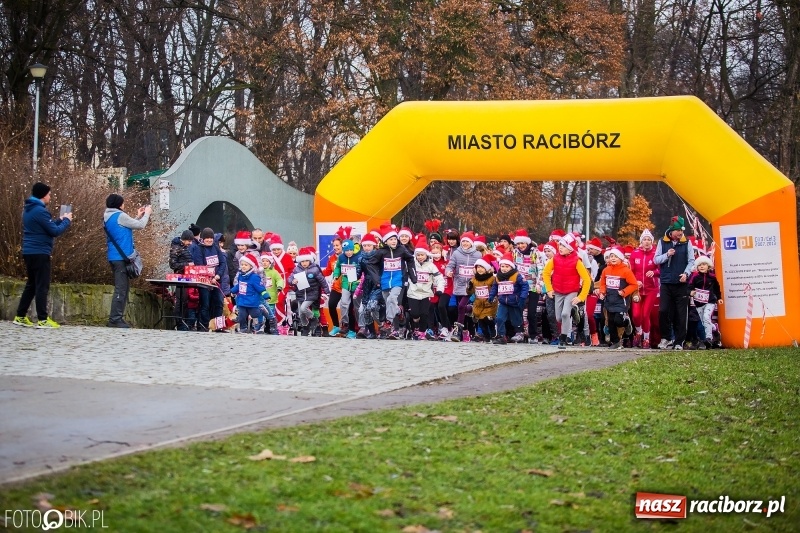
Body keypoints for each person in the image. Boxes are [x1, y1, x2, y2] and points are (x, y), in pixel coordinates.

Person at [13, 182, 73, 328]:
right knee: (42, 286)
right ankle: (43, 319)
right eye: (49, 194)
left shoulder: (28, 209)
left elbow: (46, 226)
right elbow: (54, 231)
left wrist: (59, 219)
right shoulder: (40, 211)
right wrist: (66, 221)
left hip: (29, 251)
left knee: (32, 285)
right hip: (40, 252)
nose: (50, 197)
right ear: (43, 195)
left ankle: (20, 316)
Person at [103, 193, 151, 328]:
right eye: (123, 203)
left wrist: (138, 216)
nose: (124, 205)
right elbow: (140, 226)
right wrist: (146, 214)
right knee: (121, 289)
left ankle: (118, 318)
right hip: (121, 258)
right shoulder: (120, 215)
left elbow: (125, 227)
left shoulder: (108, 217)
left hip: (115, 257)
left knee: (123, 288)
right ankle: (115, 319)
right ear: (119, 204)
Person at [542, 233, 592, 349]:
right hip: (558, 292)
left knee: (565, 314)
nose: (560, 248)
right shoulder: (555, 259)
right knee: (559, 317)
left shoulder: (577, 261)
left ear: (570, 249)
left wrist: (581, 297)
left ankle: (563, 339)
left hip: (571, 291)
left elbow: (586, 279)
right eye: (559, 245)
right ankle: (574, 313)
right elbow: (546, 273)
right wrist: (549, 289)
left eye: (563, 246)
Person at [653, 216, 695, 350]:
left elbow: (691, 261)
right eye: (678, 231)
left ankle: (679, 341)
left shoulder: (686, 243)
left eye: (681, 232)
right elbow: (656, 260)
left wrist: (686, 274)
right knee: (663, 310)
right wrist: (667, 255)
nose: (680, 234)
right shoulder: (662, 242)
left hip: (681, 283)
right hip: (666, 282)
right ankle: (666, 338)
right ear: (672, 231)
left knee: (681, 314)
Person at [597, 247, 639, 349]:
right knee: (610, 322)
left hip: (621, 301)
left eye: (615, 256)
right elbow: (602, 283)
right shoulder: (606, 270)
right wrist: (602, 292)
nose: (613, 258)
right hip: (609, 300)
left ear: (620, 258)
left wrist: (624, 292)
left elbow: (634, 285)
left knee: (618, 321)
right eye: (611, 256)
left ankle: (626, 322)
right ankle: (615, 342)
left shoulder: (626, 271)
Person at [445, 231, 482, 341]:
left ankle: (458, 331)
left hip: (471, 286)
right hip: (459, 285)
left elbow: (481, 267)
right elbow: (450, 265)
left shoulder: (477, 254)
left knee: (461, 307)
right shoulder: (456, 253)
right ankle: (462, 332)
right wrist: (448, 271)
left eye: (467, 241)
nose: (465, 243)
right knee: (460, 309)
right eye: (463, 241)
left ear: (471, 243)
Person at [406, 236, 444, 340]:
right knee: (415, 313)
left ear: (426, 255)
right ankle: (415, 327)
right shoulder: (411, 265)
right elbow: (405, 274)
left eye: (422, 255)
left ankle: (422, 332)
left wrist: (440, 289)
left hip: (426, 293)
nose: (420, 257)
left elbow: (439, 278)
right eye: (418, 255)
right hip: (413, 293)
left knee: (424, 313)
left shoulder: (431, 266)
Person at [189, 227, 227, 330]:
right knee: (205, 304)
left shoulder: (216, 247)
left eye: (211, 238)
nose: (209, 240)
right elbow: (199, 265)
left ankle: (218, 326)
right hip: (205, 282)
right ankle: (204, 326)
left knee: (219, 303)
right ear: (203, 239)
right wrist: (209, 277)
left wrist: (218, 275)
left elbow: (223, 262)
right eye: (207, 238)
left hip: (216, 281)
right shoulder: (199, 248)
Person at [288, 247, 329, 335]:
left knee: (303, 308)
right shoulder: (297, 269)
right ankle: (305, 327)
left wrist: (326, 291)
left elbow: (322, 280)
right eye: (302, 261)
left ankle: (313, 318)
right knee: (300, 313)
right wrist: (292, 281)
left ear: (310, 260)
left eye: (306, 261)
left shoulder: (314, 269)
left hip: (312, 294)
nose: (304, 263)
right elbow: (290, 278)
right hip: (301, 294)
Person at [489, 253, 529, 344]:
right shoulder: (498, 276)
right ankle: (501, 336)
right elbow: (495, 287)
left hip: (515, 301)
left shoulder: (517, 275)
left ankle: (519, 333)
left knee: (516, 319)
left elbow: (524, 286)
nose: (504, 268)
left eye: (507, 266)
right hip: (503, 302)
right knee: (499, 318)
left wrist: (522, 298)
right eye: (502, 266)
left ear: (511, 267)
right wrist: (491, 295)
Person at [630, 229, 660, 348]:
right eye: (644, 240)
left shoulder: (656, 253)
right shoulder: (635, 253)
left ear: (652, 242)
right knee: (636, 315)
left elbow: (661, 269)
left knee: (645, 314)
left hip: (651, 289)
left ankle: (646, 338)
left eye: (649, 240)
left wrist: (654, 272)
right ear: (641, 241)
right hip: (637, 289)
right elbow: (630, 271)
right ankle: (639, 331)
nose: (646, 242)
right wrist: (635, 282)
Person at [690, 255, 722, 349]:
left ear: (708, 266)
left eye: (704, 264)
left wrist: (719, 298)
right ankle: (714, 328)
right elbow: (690, 286)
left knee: (706, 317)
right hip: (699, 302)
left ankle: (709, 338)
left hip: (710, 301)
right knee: (704, 321)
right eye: (700, 265)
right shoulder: (695, 277)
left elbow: (717, 288)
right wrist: (690, 292)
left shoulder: (712, 277)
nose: (702, 266)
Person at [467, 254, 498, 342]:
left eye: (482, 267)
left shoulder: (492, 278)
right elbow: (470, 292)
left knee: (487, 319)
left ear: (487, 269)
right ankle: (487, 337)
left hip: (489, 304)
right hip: (478, 304)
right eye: (478, 267)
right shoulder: (474, 279)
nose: (480, 269)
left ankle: (493, 332)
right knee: (481, 323)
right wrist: (469, 287)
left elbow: (496, 289)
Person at [169, 229, 196, 331]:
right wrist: (187, 265)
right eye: (189, 241)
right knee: (180, 301)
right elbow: (173, 264)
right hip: (180, 277)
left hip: (186, 277)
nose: (190, 243)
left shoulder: (184, 248)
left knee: (184, 301)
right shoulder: (176, 248)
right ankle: (180, 324)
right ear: (185, 239)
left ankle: (183, 322)